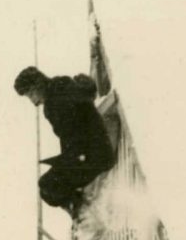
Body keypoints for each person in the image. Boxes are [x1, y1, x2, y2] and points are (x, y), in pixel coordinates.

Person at [14, 66, 115, 216]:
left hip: (93, 156)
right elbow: (87, 94)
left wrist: (68, 159)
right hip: (99, 148)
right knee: (55, 180)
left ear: (36, 86)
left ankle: (87, 216)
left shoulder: (53, 104)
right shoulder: (64, 84)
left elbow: (74, 135)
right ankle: (84, 208)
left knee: (47, 186)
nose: (32, 101)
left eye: (29, 95)